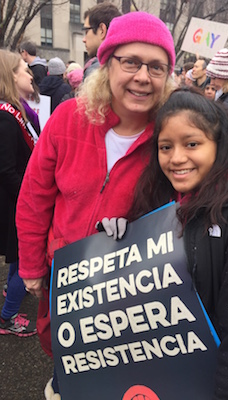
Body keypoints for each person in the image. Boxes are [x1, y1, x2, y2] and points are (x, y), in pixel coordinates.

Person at [16, 11, 175, 399]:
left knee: (123, 378)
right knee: (66, 362)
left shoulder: (174, 131)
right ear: (107, 64)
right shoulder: (70, 118)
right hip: (67, 277)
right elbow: (35, 195)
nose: (143, 76)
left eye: (157, 67)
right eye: (131, 61)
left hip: (134, 291)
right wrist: (32, 266)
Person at [125, 87, 228, 399]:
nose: (176, 158)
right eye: (165, 147)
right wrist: (121, 239)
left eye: (192, 143)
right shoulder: (162, 202)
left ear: (219, 144)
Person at [0, 49, 40, 337]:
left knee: (20, 257)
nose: (31, 75)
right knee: (24, 258)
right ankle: (7, 317)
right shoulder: (5, 118)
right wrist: (28, 199)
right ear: (11, 76)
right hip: (16, 203)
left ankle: (10, 303)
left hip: (17, 201)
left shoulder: (15, 112)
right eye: (25, 70)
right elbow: (5, 169)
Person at [82, 2, 121, 80]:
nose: (84, 40)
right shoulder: (125, 65)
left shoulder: (95, 73)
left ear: (102, 30)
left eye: (87, 31)